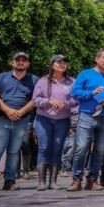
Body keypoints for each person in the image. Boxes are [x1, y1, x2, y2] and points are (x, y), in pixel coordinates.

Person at [0, 52, 39, 191]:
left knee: (14, 151)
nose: (20, 62)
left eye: (24, 60)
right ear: (12, 62)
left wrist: (21, 112)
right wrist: (7, 110)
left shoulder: (34, 79)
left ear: (28, 64)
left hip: (22, 120)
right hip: (2, 118)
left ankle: (10, 181)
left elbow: (35, 99)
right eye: (17, 60)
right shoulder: (1, 77)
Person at [68, 49, 104, 191]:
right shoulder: (85, 74)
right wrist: (92, 93)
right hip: (87, 115)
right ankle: (76, 179)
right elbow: (75, 93)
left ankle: (92, 179)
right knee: (81, 148)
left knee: (100, 150)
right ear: (96, 59)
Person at [32, 54, 76, 191]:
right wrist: (49, 101)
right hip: (43, 119)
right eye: (58, 62)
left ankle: (53, 182)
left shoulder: (71, 82)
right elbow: (35, 100)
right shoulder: (43, 81)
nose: (62, 64)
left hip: (62, 120)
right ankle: (41, 182)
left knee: (57, 149)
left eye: (64, 62)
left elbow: (77, 100)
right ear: (52, 65)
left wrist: (66, 104)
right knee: (44, 148)